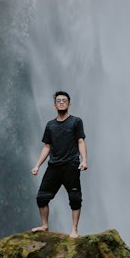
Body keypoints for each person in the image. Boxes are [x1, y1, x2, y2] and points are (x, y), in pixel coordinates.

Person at [31, 90, 88, 237]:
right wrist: (37, 165)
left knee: (75, 198)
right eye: (59, 101)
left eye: (64, 100)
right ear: (54, 105)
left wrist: (84, 160)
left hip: (71, 165)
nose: (61, 102)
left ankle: (74, 229)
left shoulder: (76, 121)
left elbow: (80, 141)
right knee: (42, 197)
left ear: (69, 104)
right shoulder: (50, 125)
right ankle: (45, 225)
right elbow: (47, 147)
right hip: (54, 166)